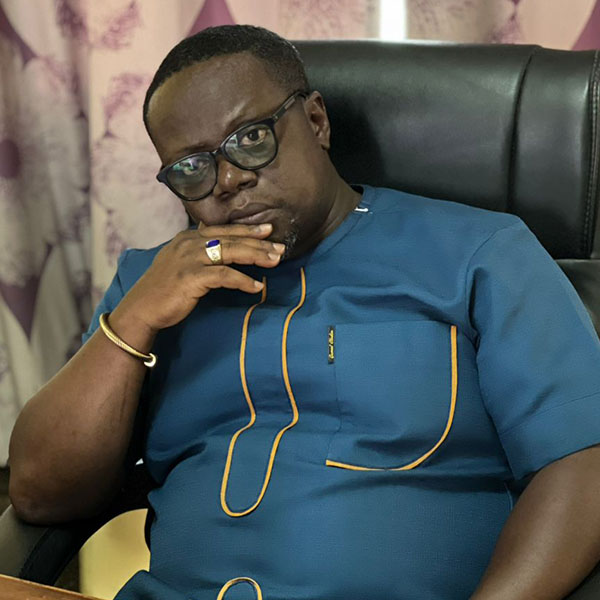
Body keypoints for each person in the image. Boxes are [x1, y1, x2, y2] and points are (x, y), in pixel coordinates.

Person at [8, 25, 600, 600]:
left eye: (251, 138)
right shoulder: (154, 284)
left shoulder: (479, 252)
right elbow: (38, 494)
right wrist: (134, 318)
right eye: (191, 168)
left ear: (316, 121)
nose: (228, 180)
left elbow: (582, 462)